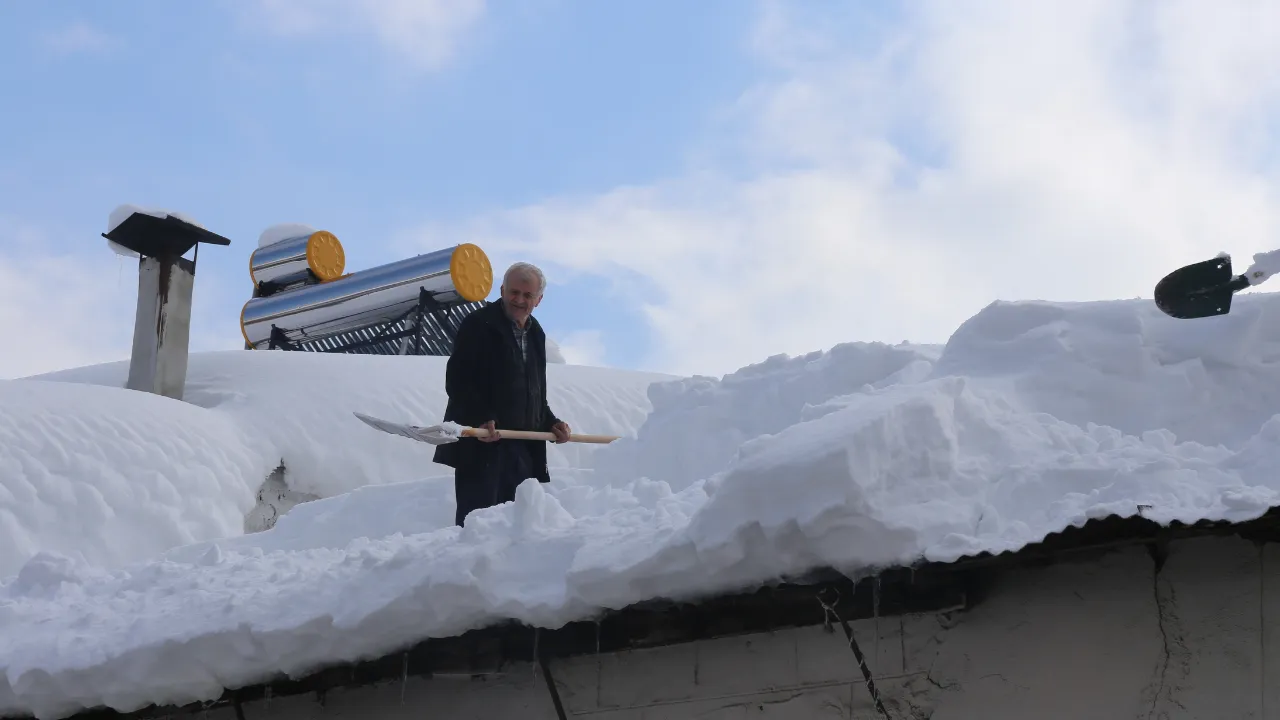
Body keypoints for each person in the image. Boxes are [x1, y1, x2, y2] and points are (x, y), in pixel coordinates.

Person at [434, 261, 572, 526]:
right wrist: (481, 417)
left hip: (522, 448)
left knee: (517, 529)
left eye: (527, 295)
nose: (519, 300)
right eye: (513, 292)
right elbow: (458, 381)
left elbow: (533, 393)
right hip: (483, 446)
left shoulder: (536, 334)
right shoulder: (479, 324)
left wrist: (551, 423)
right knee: (479, 525)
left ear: (538, 300)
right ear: (502, 289)